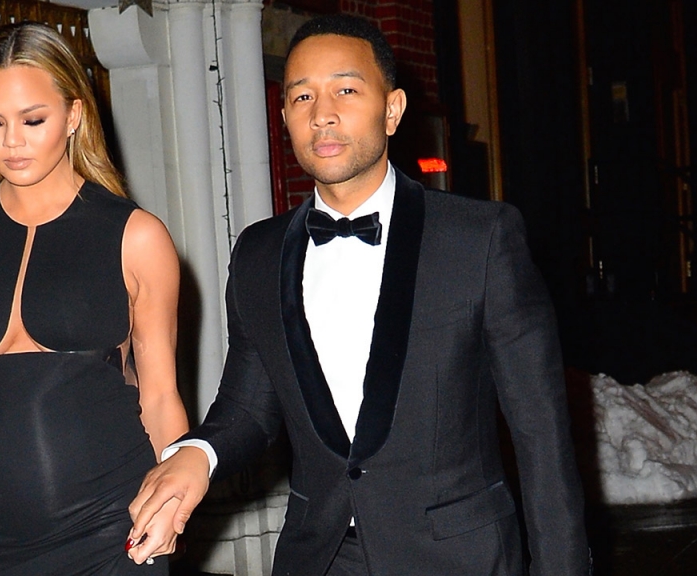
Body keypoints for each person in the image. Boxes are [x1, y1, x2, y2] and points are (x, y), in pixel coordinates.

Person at [127, 14, 590, 576]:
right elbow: (249, 406)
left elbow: (541, 435)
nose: (323, 114)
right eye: (301, 96)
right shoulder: (258, 253)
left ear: (392, 110)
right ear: (284, 117)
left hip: (457, 556)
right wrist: (196, 456)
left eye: (346, 89)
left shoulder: (481, 239)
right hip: (318, 556)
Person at [0, 22, 188, 575]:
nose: (12, 142)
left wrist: (172, 511)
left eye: (33, 120)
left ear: (74, 115)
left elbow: (159, 398)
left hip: (115, 529)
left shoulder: (136, 237)